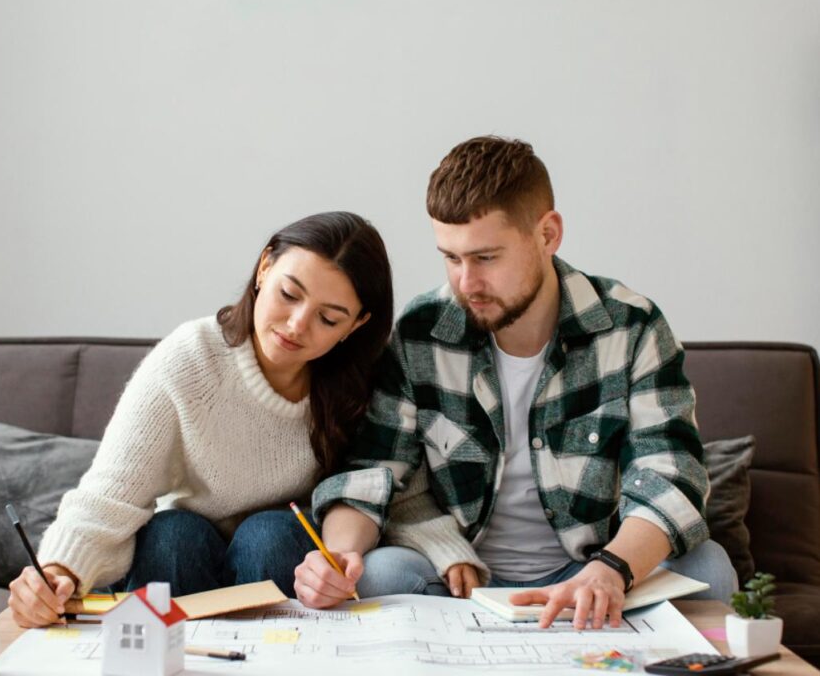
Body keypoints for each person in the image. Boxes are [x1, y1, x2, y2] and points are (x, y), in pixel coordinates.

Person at [295, 137, 736, 630]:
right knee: (378, 574)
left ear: (548, 234)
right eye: (451, 258)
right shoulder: (423, 330)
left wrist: (611, 569)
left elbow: (671, 474)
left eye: (485, 258)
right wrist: (335, 559)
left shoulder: (631, 326)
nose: (466, 283)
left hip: (592, 566)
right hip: (463, 576)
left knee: (710, 569)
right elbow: (375, 471)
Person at [8, 211, 393, 628]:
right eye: (289, 294)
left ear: (356, 325)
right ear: (265, 267)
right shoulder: (190, 359)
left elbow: (393, 484)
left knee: (268, 534)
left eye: (328, 318)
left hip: (283, 553)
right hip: (183, 551)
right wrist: (59, 572)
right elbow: (110, 493)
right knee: (172, 533)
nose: (296, 325)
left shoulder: (363, 383)